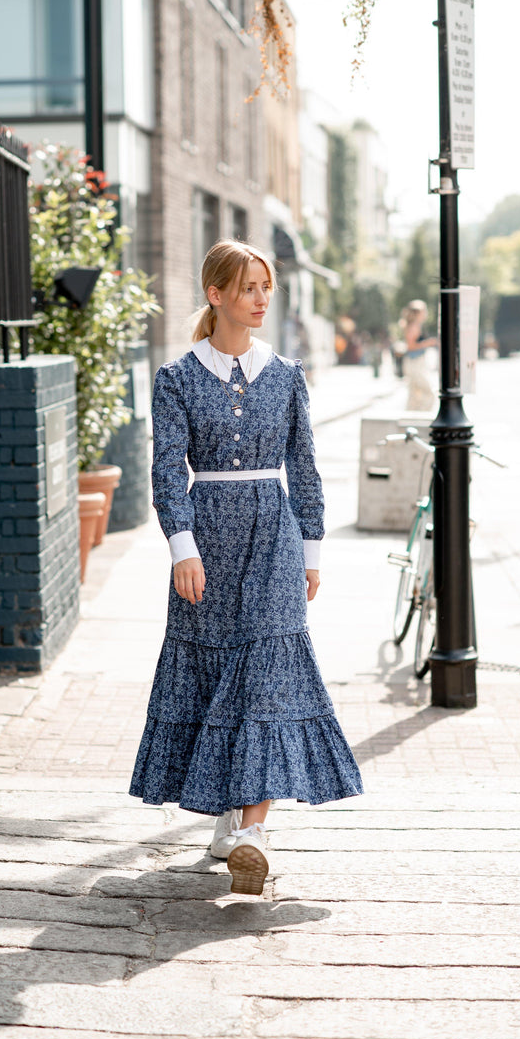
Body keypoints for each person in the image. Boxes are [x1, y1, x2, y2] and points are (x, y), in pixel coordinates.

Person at [129, 240, 363, 896]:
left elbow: (307, 471)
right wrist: (183, 547)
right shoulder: (175, 379)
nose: (262, 298)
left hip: (275, 539)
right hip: (208, 542)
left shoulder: (287, 375)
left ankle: (255, 833)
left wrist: (311, 551)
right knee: (213, 674)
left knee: (266, 674)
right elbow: (167, 473)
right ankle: (231, 817)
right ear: (216, 294)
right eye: (249, 287)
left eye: (267, 286)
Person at [403, 299, 438, 411]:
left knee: (415, 393)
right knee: (426, 391)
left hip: (416, 361)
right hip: (415, 362)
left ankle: (412, 416)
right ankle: (419, 416)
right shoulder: (413, 327)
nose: (426, 313)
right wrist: (428, 343)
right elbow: (410, 346)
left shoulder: (415, 325)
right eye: (424, 311)